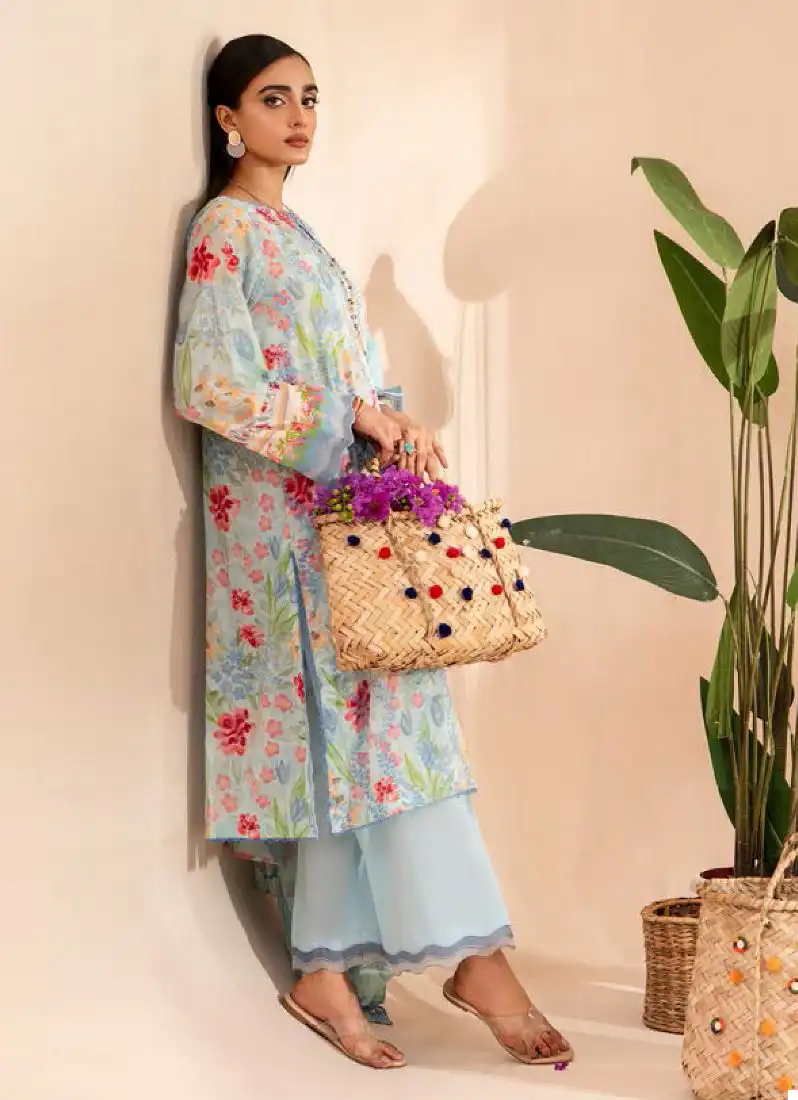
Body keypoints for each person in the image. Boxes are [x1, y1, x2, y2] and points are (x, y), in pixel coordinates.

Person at [173, 33, 574, 1071]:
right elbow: (208, 383)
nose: (299, 116)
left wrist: (391, 421)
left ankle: (354, 960)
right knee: (345, 739)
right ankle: (460, 958)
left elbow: (332, 373)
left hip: (337, 524)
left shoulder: (296, 233)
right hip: (279, 535)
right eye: (274, 99)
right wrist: (344, 417)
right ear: (228, 119)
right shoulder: (225, 229)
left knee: (381, 736)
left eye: (310, 97)